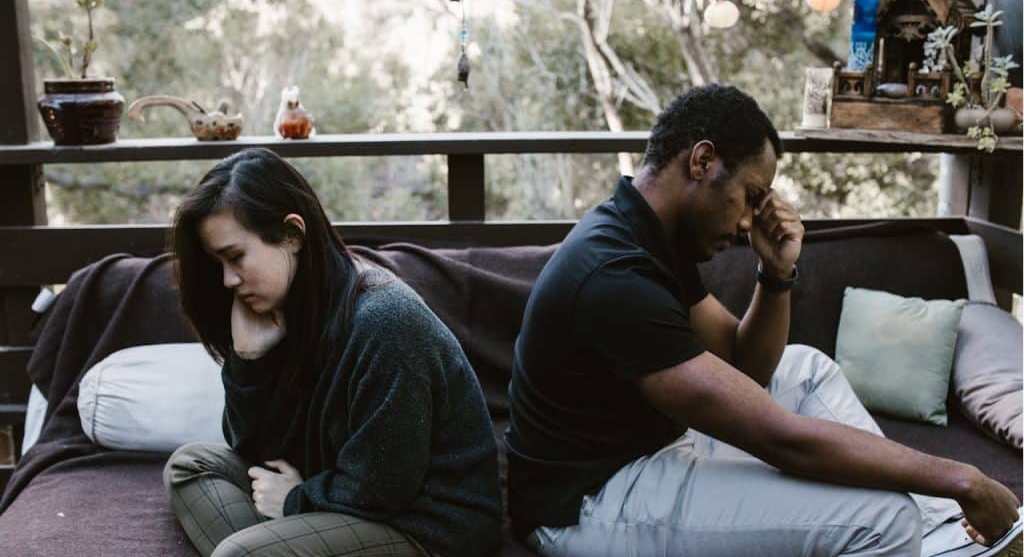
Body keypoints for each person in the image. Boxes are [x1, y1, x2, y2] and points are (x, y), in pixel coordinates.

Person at [505, 84, 1022, 557]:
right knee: (884, 520)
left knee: (806, 368)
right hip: (590, 502)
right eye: (751, 196)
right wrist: (963, 480)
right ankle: (930, 531)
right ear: (702, 161)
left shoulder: (647, 233)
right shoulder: (613, 273)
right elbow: (781, 440)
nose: (749, 221)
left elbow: (747, 367)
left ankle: (944, 537)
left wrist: (775, 274)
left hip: (644, 450)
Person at [163, 148, 502, 557]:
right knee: (190, 464)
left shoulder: (386, 322)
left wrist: (295, 500)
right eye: (218, 262)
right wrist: (249, 363)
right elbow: (251, 452)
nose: (228, 280)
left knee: (239, 554)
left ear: (293, 234)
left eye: (235, 257)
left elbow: (382, 488)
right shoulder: (282, 314)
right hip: (337, 495)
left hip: (423, 527)